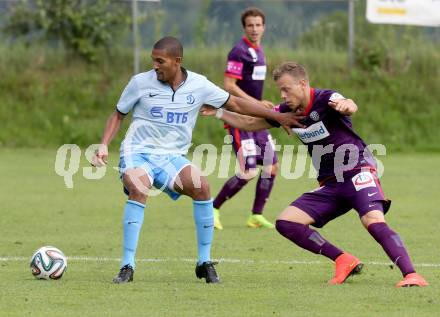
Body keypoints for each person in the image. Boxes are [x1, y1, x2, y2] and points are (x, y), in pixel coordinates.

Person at [91, 37, 302, 284]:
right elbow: (118, 115)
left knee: (202, 187)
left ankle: (204, 262)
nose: (155, 66)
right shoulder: (140, 83)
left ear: (177, 61)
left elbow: (235, 103)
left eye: (160, 61)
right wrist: (104, 145)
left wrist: (276, 116)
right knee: (139, 186)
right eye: (153, 61)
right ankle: (127, 265)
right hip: (137, 152)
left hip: (171, 157)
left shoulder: (199, 85)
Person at [201, 62, 429, 287]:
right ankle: (343, 260)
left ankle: (411, 275)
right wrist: (219, 113)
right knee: (287, 222)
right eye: (280, 90)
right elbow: (249, 123)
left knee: (372, 221)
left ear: (302, 84)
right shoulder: (286, 112)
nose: (282, 95)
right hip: (330, 183)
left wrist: (346, 106)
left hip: (357, 170)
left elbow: (348, 104)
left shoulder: (325, 98)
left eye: (286, 89)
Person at [213, 7, 278, 230]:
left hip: (256, 118)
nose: (254, 29)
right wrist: (256, 104)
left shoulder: (259, 51)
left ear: (264, 27)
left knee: (271, 166)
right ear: (244, 28)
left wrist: (259, 107)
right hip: (240, 119)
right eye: (250, 25)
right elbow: (229, 86)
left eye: (258, 24)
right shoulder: (238, 51)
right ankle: (213, 208)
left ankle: (256, 216)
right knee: (249, 171)